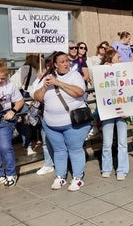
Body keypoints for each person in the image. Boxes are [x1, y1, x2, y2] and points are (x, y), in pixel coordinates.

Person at [33, 51, 91, 191]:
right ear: (55, 64)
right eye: (62, 61)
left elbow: (79, 92)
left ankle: (77, 178)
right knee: (59, 151)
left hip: (73, 122)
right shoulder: (45, 77)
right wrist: (45, 86)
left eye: (67, 61)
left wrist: (58, 83)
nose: (66, 64)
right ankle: (60, 177)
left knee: (75, 149)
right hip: (52, 124)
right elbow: (37, 97)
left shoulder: (75, 75)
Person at [100, 48, 129, 181]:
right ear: (111, 59)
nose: (120, 59)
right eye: (118, 57)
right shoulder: (102, 70)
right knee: (107, 142)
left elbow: (129, 91)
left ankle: (122, 169)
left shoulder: (124, 71)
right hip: (108, 111)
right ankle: (106, 168)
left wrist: (128, 109)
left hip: (122, 110)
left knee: (122, 142)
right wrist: (103, 70)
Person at [10, 53, 41, 155]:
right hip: (27, 101)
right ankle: (27, 147)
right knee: (26, 125)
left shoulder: (39, 69)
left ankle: (30, 145)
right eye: (40, 57)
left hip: (36, 101)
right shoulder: (26, 68)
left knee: (32, 124)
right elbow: (14, 83)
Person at [30, 54, 55, 176]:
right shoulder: (41, 77)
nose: (48, 65)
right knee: (45, 140)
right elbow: (32, 93)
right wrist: (40, 81)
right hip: (45, 113)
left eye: (51, 63)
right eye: (47, 63)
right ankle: (49, 164)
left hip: (60, 114)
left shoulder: (65, 76)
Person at [86, 41, 110, 137]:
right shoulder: (92, 59)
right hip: (94, 86)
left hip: (104, 87)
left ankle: (101, 126)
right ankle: (95, 126)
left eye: (105, 48)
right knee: (94, 108)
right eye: (101, 47)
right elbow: (90, 71)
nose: (102, 49)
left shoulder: (107, 60)